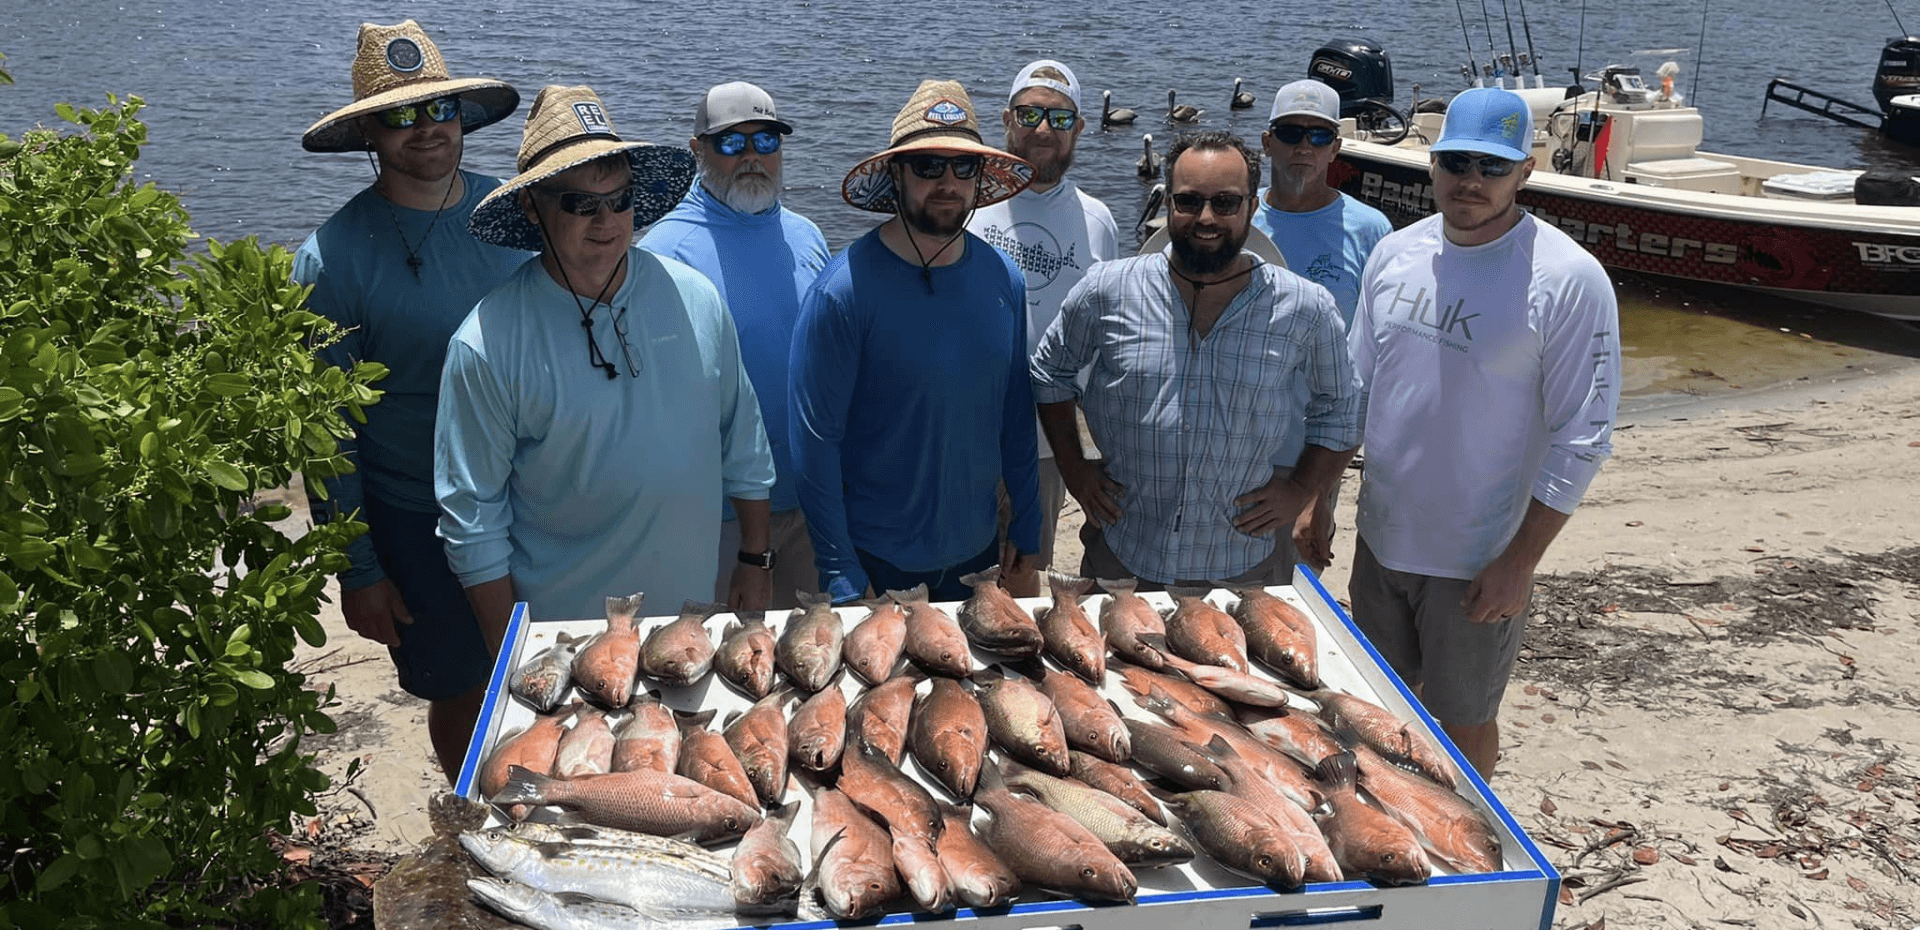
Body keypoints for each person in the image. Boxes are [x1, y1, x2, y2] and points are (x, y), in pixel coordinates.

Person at [1346, 87, 1621, 776]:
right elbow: (1355, 392)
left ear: (1525, 172)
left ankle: (1471, 849)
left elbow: (1582, 437)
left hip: (1477, 559)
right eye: (1457, 162)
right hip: (1379, 542)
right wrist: (1317, 502)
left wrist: (1518, 563)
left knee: (1465, 720)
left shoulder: (1568, 278)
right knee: (1375, 707)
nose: (1471, 181)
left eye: (1492, 167)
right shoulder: (1394, 253)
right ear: (1431, 163)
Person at [437, 85, 776, 639]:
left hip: (691, 619)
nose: (608, 220)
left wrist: (755, 561)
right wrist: (513, 657)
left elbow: (744, 443)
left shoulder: (697, 298)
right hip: (563, 636)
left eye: (620, 200)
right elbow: (473, 527)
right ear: (531, 204)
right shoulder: (484, 343)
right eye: (581, 204)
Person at [294, 19, 523, 784]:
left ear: (462, 117)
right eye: (398, 116)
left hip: (540, 498)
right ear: (369, 133)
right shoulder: (330, 259)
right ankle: (477, 816)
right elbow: (326, 434)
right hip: (416, 519)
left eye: (437, 110)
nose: (423, 130)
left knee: (557, 668)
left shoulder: (518, 216)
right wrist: (357, 569)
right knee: (460, 687)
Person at [1030, 129, 1361, 591]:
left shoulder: (1305, 307)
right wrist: (1074, 467)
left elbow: (1342, 407)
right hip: (1123, 548)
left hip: (1240, 558)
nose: (1206, 218)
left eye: (1225, 203)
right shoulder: (1106, 289)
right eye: (1188, 202)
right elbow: (1050, 372)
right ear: (1168, 203)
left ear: (1251, 206)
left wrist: (1303, 489)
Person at [791, 79, 1040, 605]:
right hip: (876, 562)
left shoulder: (1005, 279)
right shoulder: (842, 293)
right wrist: (841, 572)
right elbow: (814, 445)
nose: (947, 182)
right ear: (896, 174)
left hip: (978, 553)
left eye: (963, 167)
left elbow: (1016, 413)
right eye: (928, 166)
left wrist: (1029, 524)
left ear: (980, 177)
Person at [640, 82, 829, 610]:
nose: (751, 157)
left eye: (766, 142)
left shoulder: (807, 236)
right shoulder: (661, 251)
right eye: (731, 144)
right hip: (715, 517)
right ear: (697, 149)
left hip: (810, 503)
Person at [965, 60, 1120, 590]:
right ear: (1007, 118)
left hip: (1048, 444)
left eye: (1059, 117)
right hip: (965, 435)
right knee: (956, 577)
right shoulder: (967, 201)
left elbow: (1105, 337)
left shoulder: (1097, 220)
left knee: (1024, 580)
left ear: (1079, 128)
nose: (1042, 129)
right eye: (1030, 114)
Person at [1250, 79, 1393, 577]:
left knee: (1292, 602)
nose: (1303, 148)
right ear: (1267, 142)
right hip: (1228, 445)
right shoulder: (1233, 216)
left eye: (1318, 137)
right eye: (1290, 133)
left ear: (1336, 147)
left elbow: (1371, 362)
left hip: (1313, 452)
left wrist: (1318, 491)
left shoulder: (1372, 230)